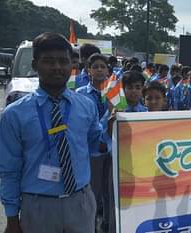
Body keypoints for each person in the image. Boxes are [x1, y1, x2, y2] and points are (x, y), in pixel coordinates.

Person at [0, 32, 102, 233]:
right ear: (35, 64)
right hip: (38, 207)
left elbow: (95, 146)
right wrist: (12, 218)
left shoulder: (87, 106)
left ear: (72, 65)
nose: (57, 67)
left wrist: (111, 129)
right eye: (48, 61)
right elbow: (9, 170)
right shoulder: (15, 114)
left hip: (80, 203)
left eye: (63, 61)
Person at [75, 53, 114, 233]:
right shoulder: (80, 95)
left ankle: (108, 224)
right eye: (95, 66)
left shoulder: (115, 92)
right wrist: (108, 115)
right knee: (92, 193)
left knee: (111, 191)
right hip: (91, 151)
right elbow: (84, 124)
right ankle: (90, 226)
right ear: (88, 71)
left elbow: (120, 118)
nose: (99, 70)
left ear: (108, 70)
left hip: (113, 149)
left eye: (102, 66)